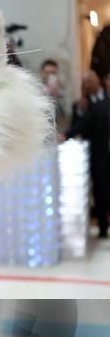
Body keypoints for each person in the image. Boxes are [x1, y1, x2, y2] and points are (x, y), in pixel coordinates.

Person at [65, 71, 110, 238]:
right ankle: (103, 227)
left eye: (91, 81)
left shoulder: (107, 99)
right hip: (95, 154)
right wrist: (81, 112)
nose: (88, 85)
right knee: (99, 191)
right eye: (85, 83)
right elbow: (78, 127)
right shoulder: (81, 105)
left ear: (99, 82)